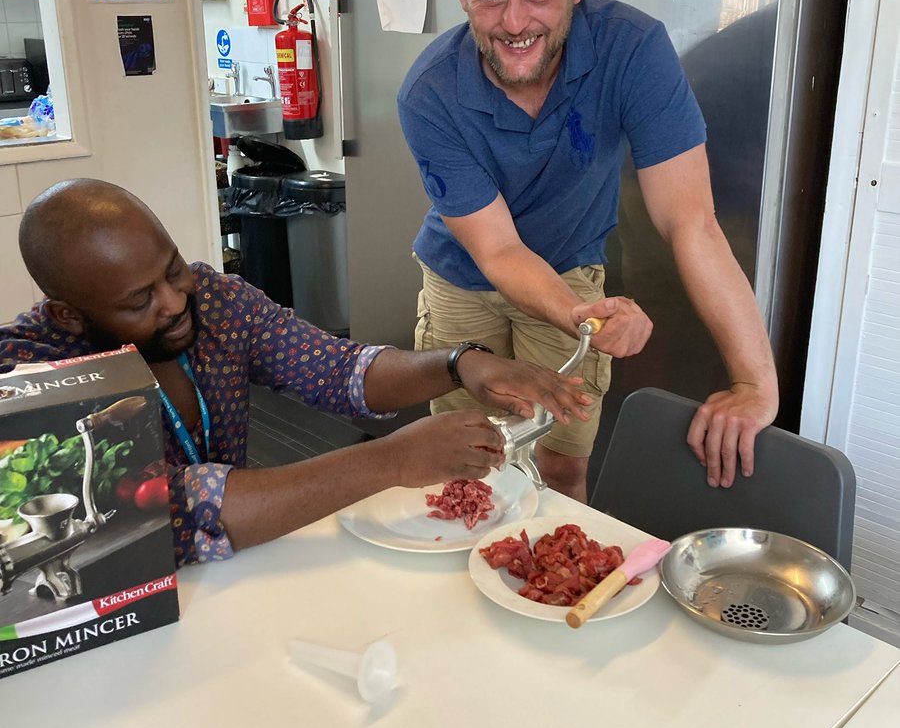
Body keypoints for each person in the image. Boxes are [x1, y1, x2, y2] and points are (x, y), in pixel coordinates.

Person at [398, 0, 778, 503]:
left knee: (562, 464)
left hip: (571, 268)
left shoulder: (633, 49)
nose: (516, 22)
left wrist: (755, 383)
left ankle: (542, 593)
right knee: (464, 461)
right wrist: (577, 315)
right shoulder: (429, 92)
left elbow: (692, 222)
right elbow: (496, 250)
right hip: (461, 278)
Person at [0, 179, 592, 566]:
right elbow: (174, 513)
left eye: (171, 268)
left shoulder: (213, 300)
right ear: (68, 316)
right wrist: (390, 460)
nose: (175, 300)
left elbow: (338, 371)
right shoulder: (26, 377)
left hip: (241, 572)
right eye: (138, 301)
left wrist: (460, 364)